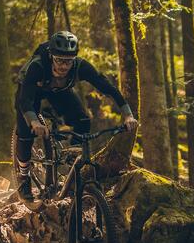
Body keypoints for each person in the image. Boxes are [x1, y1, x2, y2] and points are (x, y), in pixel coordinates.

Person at [14, 30, 138, 202]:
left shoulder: (81, 66)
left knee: (83, 121)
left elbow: (107, 88)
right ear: (51, 56)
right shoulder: (37, 66)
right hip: (31, 92)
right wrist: (34, 121)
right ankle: (23, 175)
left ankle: (72, 161)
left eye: (68, 61)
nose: (64, 66)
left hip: (59, 91)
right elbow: (25, 101)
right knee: (26, 133)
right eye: (59, 60)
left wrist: (128, 115)